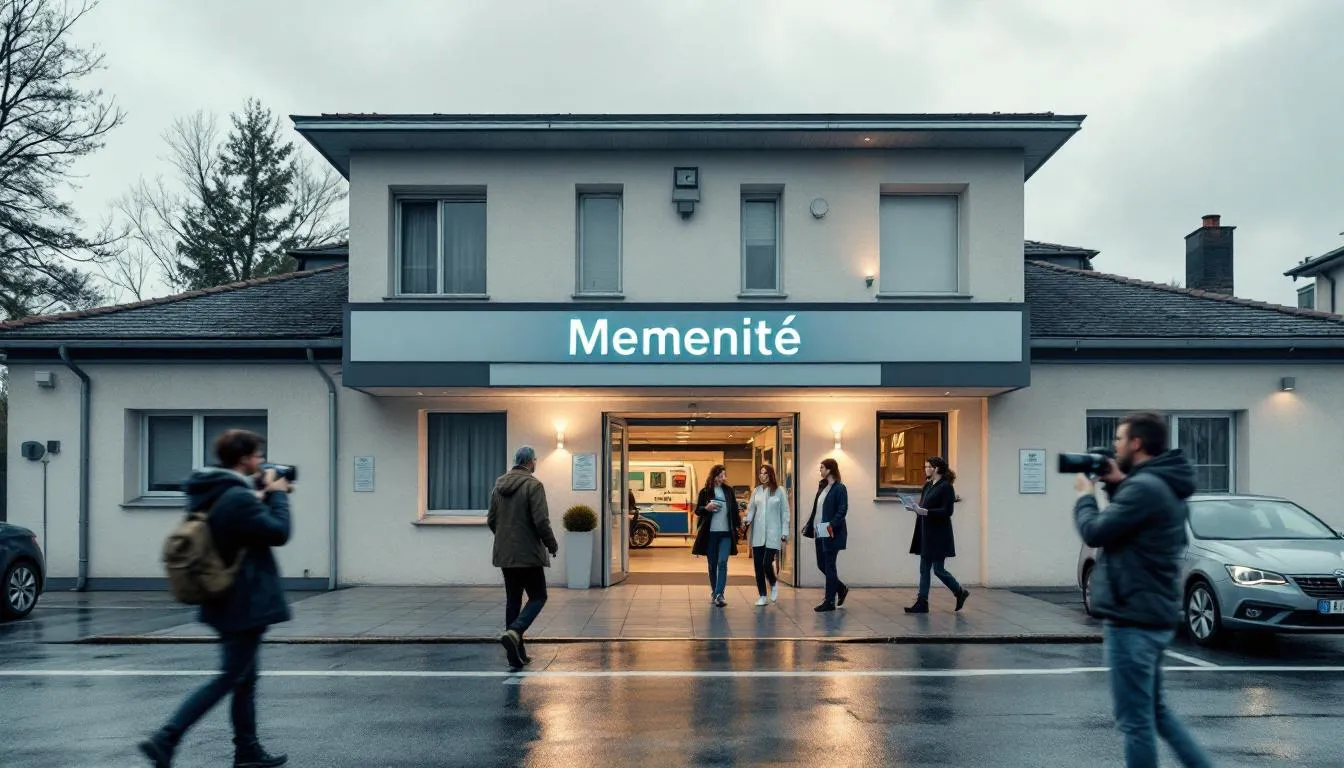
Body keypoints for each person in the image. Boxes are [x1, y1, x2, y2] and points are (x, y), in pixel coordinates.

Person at [138, 429, 293, 768]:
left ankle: (247, 751)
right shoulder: (236, 498)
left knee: (244, 680)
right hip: (243, 603)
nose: (261, 461)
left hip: (227, 599)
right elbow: (279, 533)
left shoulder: (218, 493)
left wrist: (263, 495)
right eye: (257, 455)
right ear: (244, 459)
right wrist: (280, 495)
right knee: (230, 677)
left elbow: (241, 531)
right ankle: (166, 738)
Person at [1074, 412, 1214, 768]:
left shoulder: (1145, 488)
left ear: (1137, 443)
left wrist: (1084, 496)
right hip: (1150, 612)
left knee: (1135, 722)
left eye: (1120, 439)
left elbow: (1096, 532)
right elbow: (1137, 527)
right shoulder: (1159, 484)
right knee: (1156, 713)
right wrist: (1118, 483)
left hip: (1132, 618)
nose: (1115, 446)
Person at [489, 445, 559, 671]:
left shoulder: (498, 486)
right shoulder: (533, 485)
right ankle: (516, 631)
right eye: (535, 461)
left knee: (513, 600)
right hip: (528, 554)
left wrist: (506, 540)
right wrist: (551, 544)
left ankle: (516, 655)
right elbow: (541, 521)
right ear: (531, 462)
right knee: (538, 596)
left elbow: (491, 519)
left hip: (506, 554)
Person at [905, 456, 970, 614]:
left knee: (938, 569)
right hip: (925, 532)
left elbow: (947, 511)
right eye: (925, 466)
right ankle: (922, 602)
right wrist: (915, 508)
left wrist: (926, 512)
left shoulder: (946, 487)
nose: (925, 469)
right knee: (924, 568)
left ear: (937, 469)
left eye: (928, 466)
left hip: (939, 534)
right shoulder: (928, 486)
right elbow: (923, 506)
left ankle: (959, 591)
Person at [691, 464, 741, 607]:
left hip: (726, 533)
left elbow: (734, 511)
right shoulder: (705, 492)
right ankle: (715, 591)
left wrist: (739, 526)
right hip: (711, 534)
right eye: (720, 475)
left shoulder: (729, 491)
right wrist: (706, 508)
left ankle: (720, 594)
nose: (723, 478)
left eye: (724, 475)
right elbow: (698, 511)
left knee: (722, 562)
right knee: (712, 565)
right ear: (714, 476)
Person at [805, 458, 848, 612]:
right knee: (821, 564)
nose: (820, 470)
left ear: (830, 469)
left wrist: (831, 524)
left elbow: (842, 509)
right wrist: (811, 524)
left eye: (822, 467)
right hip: (819, 530)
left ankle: (829, 601)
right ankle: (841, 588)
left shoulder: (840, 488)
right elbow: (817, 508)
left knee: (829, 565)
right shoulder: (823, 486)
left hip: (830, 531)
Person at [745, 464, 790, 606]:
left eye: (765, 473)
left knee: (766, 563)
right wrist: (746, 520)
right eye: (760, 473)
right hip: (758, 533)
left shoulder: (779, 491)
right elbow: (751, 510)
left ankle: (773, 583)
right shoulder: (756, 491)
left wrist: (784, 532)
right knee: (758, 566)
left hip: (774, 533)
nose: (762, 476)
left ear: (770, 475)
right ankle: (762, 595)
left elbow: (785, 512)